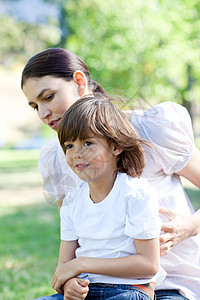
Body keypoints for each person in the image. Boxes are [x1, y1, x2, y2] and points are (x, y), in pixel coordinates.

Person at [21, 48, 200, 300]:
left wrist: (190, 226)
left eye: (48, 97)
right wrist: (71, 280)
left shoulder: (149, 129)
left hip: (173, 282)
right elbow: (74, 247)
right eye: (34, 106)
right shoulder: (59, 158)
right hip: (99, 284)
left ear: (80, 82)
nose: (43, 113)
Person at [52, 95, 164, 299]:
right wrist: (69, 284)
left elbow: (149, 265)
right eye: (69, 146)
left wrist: (83, 264)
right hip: (87, 291)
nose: (77, 153)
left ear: (115, 146)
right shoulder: (72, 201)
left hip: (130, 290)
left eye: (87, 143)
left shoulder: (135, 193)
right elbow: (64, 266)